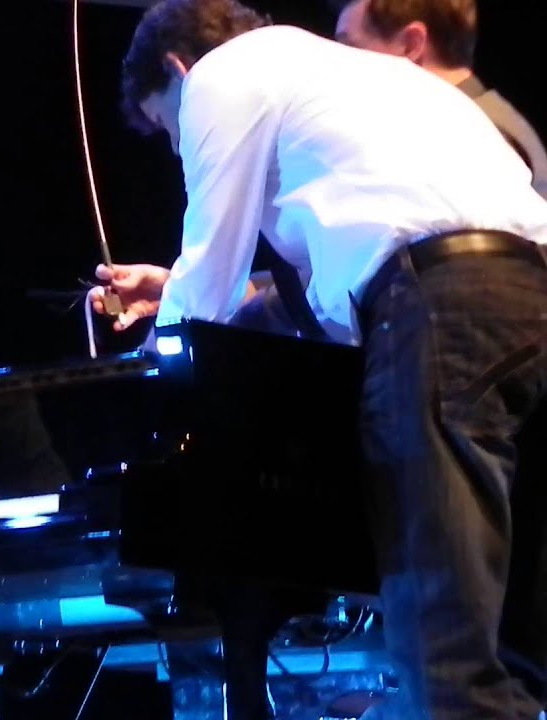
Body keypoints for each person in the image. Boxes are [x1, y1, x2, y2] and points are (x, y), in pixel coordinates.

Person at [92, 1, 547, 718]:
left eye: (168, 130)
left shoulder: (221, 74)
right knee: (521, 631)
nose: (179, 149)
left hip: (440, 310)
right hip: (528, 296)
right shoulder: (361, 78)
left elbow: (208, 277)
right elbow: (353, 256)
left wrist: (149, 358)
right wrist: (192, 285)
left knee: (442, 639)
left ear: (178, 69)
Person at [331, 0, 547, 199]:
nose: (339, 65)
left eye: (350, 47)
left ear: (411, 44)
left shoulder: (474, 135)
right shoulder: (473, 118)